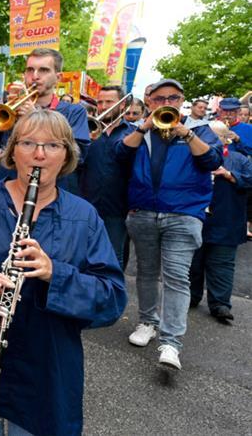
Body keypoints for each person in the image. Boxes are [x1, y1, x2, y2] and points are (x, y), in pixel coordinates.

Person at [0, 110, 126, 436]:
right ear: (12, 150)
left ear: (66, 154)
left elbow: (111, 297)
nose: (39, 154)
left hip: (45, 370)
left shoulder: (84, 215)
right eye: (28, 143)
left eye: (52, 145)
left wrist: (56, 274)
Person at [116, 78, 222, 370]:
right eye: (159, 99)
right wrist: (144, 127)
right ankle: (148, 322)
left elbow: (212, 161)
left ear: (181, 101)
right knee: (147, 273)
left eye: (172, 98)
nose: (166, 103)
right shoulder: (141, 131)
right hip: (143, 212)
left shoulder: (200, 130)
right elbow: (120, 154)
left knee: (176, 277)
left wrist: (186, 134)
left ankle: (171, 342)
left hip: (184, 214)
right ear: (149, 102)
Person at [0, 48, 90, 195]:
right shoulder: (13, 108)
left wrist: (34, 117)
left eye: (44, 70)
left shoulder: (74, 111)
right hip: (7, 191)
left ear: (58, 77)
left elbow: (78, 156)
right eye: (30, 70)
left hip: (52, 194)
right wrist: (3, 113)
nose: (35, 76)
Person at [189, 121, 252, 322]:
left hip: (227, 220)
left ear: (226, 139)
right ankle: (191, 297)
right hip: (196, 218)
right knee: (192, 263)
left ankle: (220, 305)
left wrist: (229, 175)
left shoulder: (240, 159)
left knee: (222, 265)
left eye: (216, 137)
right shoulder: (194, 156)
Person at [80, 86, 135, 268]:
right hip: (86, 205)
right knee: (82, 255)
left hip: (117, 208)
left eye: (109, 102)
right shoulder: (86, 130)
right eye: (100, 102)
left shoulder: (133, 132)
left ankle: (112, 295)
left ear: (122, 105)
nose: (104, 106)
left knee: (113, 258)